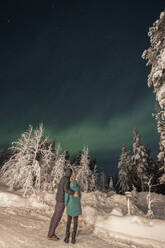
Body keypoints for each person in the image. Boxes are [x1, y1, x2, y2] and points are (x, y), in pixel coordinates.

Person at [48, 168, 78, 241]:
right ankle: (51, 235)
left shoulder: (63, 178)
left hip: (58, 199)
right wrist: (74, 193)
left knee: (55, 216)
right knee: (57, 217)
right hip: (61, 201)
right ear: (70, 173)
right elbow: (66, 189)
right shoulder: (66, 180)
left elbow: (65, 186)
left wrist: (70, 181)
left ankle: (50, 233)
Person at [64, 176, 82, 244]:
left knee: (68, 222)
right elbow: (80, 196)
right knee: (75, 223)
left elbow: (66, 198)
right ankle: (73, 239)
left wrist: (66, 204)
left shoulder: (68, 188)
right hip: (77, 207)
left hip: (70, 207)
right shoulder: (78, 188)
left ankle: (67, 238)